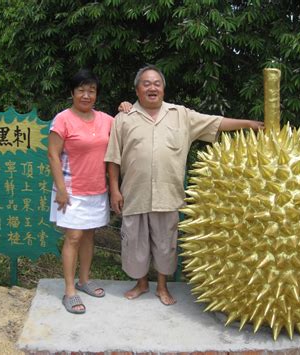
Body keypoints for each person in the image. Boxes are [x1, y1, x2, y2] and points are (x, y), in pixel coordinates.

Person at [105, 65, 264, 306]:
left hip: (168, 194)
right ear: (137, 90)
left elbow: (216, 122)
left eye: (157, 83)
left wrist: (249, 124)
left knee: (165, 243)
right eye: (146, 83)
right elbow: (114, 157)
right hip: (134, 193)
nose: (152, 87)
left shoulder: (181, 114)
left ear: (164, 88)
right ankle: (140, 284)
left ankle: (161, 286)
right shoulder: (124, 118)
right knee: (135, 242)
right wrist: (115, 189)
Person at [48, 69, 116, 314]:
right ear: (72, 93)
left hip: (97, 189)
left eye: (91, 90)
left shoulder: (107, 120)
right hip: (71, 189)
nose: (86, 95)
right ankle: (69, 291)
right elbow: (53, 155)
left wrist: (128, 107)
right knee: (74, 237)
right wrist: (62, 190)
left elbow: (127, 127)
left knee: (89, 236)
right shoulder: (63, 119)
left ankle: (84, 280)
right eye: (81, 90)